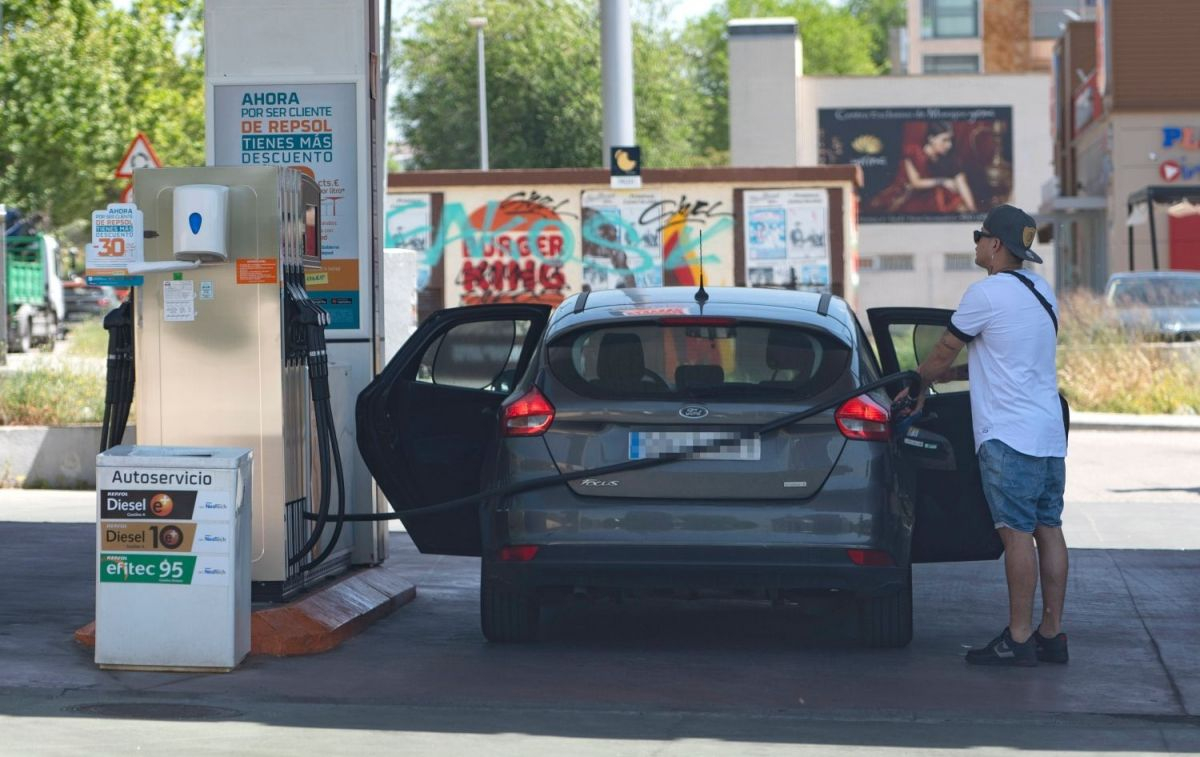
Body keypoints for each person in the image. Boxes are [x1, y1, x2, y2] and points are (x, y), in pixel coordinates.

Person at [896, 204, 1069, 667]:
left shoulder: (985, 294)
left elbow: (942, 349)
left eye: (979, 235)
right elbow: (1002, 355)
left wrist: (916, 385)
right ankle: (1052, 635)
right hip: (1048, 433)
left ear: (995, 244)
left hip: (1008, 437)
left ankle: (1017, 638)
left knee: (1015, 536)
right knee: (1048, 529)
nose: (975, 243)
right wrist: (948, 376)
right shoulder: (1042, 290)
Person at [869, 121, 977, 216]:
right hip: (907, 196)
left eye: (950, 140)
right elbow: (915, 183)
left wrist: (972, 211)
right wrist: (943, 181)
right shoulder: (914, 153)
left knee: (956, 203)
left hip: (931, 197)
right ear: (931, 139)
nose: (949, 145)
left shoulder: (947, 157)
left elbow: (961, 181)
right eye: (944, 140)